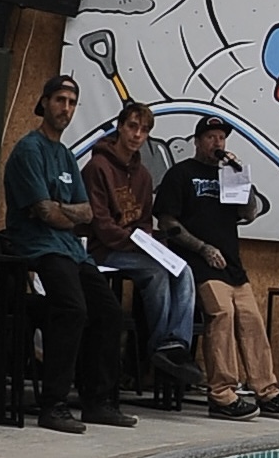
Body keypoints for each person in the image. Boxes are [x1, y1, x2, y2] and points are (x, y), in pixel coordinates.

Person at [2, 74, 135, 433]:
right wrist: (61, 211)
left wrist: (59, 209)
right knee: (72, 308)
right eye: (60, 100)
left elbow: (87, 213)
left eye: (72, 102)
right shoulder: (29, 150)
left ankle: (97, 401)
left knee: (108, 313)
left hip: (72, 250)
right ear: (44, 103)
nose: (66, 108)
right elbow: (43, 213)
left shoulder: (64, 154)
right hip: (36, 246)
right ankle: (53, 404)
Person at [153, 114, 279, 422]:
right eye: (210, 137)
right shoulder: (181, 174)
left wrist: (241, 178)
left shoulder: (229, 175)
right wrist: (202, 248)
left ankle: (267, 390)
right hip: (197, 262)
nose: (217, 142)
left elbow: (249, 214)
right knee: (223, 314)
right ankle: (222, 394)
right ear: (197, 141)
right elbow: (166, 221)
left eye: (221, 138)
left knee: (251, 319)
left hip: (231, 263)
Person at [82, 100, 203, 388]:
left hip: (136, 248)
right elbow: (101, 224)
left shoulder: (144, 176)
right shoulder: (97, 167)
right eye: (133, 127)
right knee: (157, 273)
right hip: (104, 250)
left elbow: (145, 221)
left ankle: (175, 346)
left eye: (144, 130)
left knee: (183, 270)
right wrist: (136, 242)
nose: (137, 135)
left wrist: (146, 241)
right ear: (120, 127)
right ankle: (161, 344)